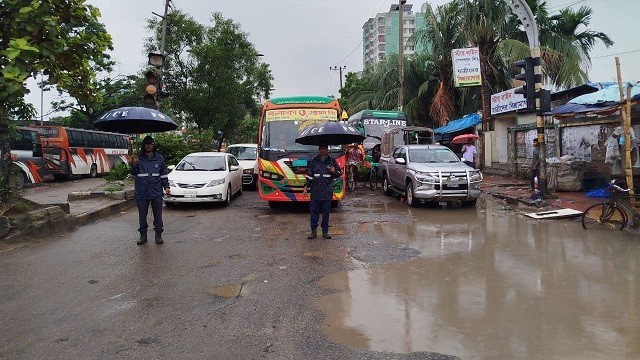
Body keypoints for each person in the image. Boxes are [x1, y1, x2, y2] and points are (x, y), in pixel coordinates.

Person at [130, 135, 171, 245]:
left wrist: (166, 187)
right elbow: (133, 173)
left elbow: (163, 175)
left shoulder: (159, 158)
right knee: (142, 215)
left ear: (153, 145)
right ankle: (143, 236)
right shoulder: (138, 158)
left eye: (151, 144)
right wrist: (134, 163)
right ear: (144, 145)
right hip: (142, 191)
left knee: (158, 214)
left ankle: (158, 235)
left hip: (156, 190)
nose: (149, 146)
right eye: (147, 144)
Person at [303, 143, 341, 239]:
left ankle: (325, 231)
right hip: (315, 191)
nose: (322, 151)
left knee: (326, 212)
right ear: (319, 150)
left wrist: (333, 171)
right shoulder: (314, 161)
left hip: (327, 191)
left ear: (327, 150)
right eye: (321, 149)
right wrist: (305, 188)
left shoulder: (332, 161)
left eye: (324, 149)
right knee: (314, 211)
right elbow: (310, 175)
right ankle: (313, 231)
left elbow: (339, 174)